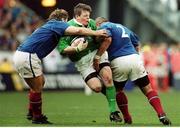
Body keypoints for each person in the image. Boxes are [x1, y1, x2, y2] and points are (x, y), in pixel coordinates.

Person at [12, 9, 107, 124]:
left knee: (41, 82)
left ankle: (32, 111)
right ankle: (37, 117)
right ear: (64, 19)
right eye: (66, 21)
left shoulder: (49, 25)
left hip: (25, 55)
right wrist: (96, 33)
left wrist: (75, 48)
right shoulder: (57, 24)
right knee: (37, 87)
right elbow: (78, 30)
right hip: (28, 56)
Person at [93, 17, 171, 125]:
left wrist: (97, 57)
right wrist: (136, 58)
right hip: (135, 58)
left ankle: (127, 118)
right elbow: (137, 43)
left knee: (117, 91)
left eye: (96, 26)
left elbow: (107, 39)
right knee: (148, 89)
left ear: (100, 23)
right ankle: (161, 113)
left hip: (118, 60)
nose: (97, 28)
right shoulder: (123, 27)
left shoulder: (104, 26)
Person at [58, 3, 121, 122]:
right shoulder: (67, 28)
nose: (88, 18)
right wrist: (76, 49)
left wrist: (99, 37)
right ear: (77, 16)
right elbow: (62, 49)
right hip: (82, 61)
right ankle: (111, 94)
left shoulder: (91, 23)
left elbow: (101, 37)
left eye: (89, 15)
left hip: (96, 54)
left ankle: (113, 112)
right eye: (85, 16)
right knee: (97, 87)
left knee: (108, 78)